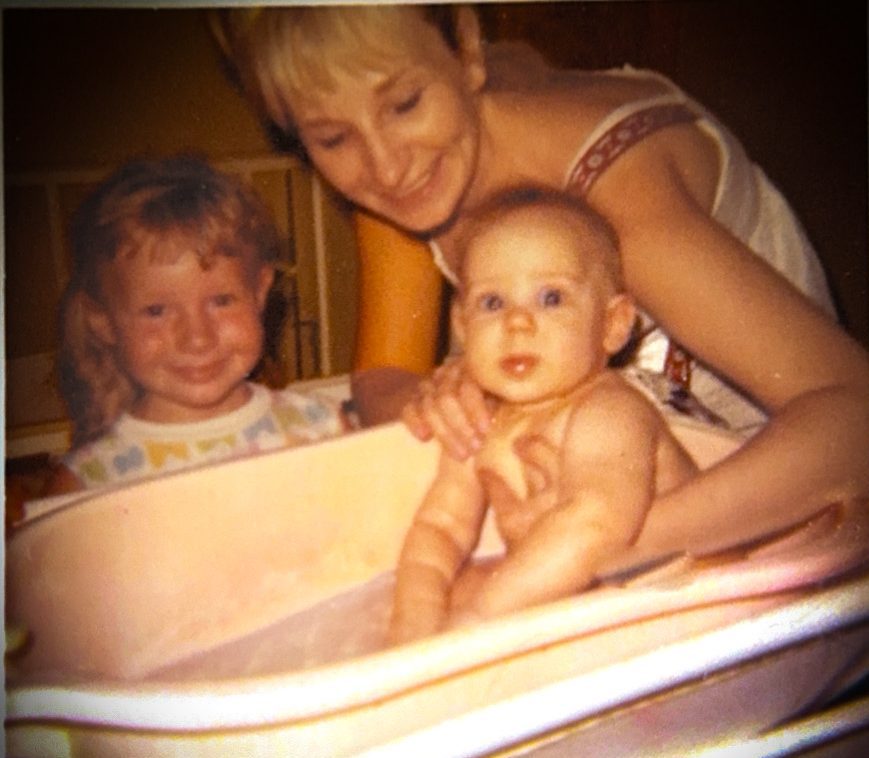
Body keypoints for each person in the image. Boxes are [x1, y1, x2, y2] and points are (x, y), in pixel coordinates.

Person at [212, 5, 869, 559]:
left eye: (405, 104)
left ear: (465, 49)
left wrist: (603, 543)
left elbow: (854, 418)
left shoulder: (616, 191)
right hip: (586, 478)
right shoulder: (406, 189)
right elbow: (382, 377)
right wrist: (438, 404)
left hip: (773, 495)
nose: (385, 166)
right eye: (332, 138)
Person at [389, 189, 698, 643]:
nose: (517, 323)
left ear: (612, 325)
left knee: (479, 600)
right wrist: (413, 622)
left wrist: (473, 625)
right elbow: (441, 527)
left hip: (680, 607)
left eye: (551, 298)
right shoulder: (482, 422)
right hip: (577, 605)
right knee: (453, 592)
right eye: (493, 303)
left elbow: (595, 524)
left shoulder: (610, 412)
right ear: (462, 326)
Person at [43, 155, 347, 496]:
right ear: (103, 322)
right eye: (156, 311)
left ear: (259, 292)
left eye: (221, 301)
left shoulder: (322, 429)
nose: (197, 339)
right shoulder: (90, 481)